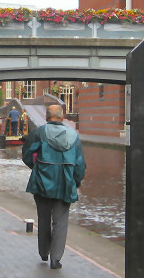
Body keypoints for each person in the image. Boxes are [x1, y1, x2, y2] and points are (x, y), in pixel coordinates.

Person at [22, 105, 86, 270]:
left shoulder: (39, 133)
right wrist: (76, 181)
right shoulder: (74, 137)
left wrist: (36, 168)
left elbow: (27, 154)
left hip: (42, 182)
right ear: (62, 116)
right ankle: (56, 259)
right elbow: (80, 165)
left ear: (46, 117)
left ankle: (44, 252)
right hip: (65, 183)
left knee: (43, 218)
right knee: (61, 221)